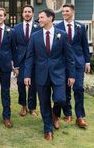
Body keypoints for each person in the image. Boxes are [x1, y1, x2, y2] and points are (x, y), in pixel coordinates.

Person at [24, 9, 75, 141]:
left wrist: (71, 75)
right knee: (44, 102)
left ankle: (55, 114)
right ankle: (48, 129)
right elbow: (29, 57)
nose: (39, 20)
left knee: (60, 99)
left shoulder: (62, 35)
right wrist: (27, 75)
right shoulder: (35, 36)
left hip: (59, 74)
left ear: (50, 18)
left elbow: (69, 57)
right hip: (40, 74)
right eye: (39, 18)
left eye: (41, 17)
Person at [53, 3, 91, 128]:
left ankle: (80, 117)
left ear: (73, 12)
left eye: (67, 11)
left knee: (78, 89)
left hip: (78, 63)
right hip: (63, 64)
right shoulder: (57, 27)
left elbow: (85, 46)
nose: (64, 13)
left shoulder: (81, 26)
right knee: (65, 89)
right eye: (63, 11)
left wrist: (87, 62)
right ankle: (68, 113)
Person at [13, 5, 40, 117]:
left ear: (32, 14)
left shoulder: (38, 27)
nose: (27, 13)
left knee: (33, 85)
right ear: (22, 14)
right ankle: (23, 106)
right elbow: (14, 47)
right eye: (25, 12)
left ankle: (32, 108)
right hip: (21, 61)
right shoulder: (16, 28)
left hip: (35, 60)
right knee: (20, 83)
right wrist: (15, 65)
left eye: (29, 11)